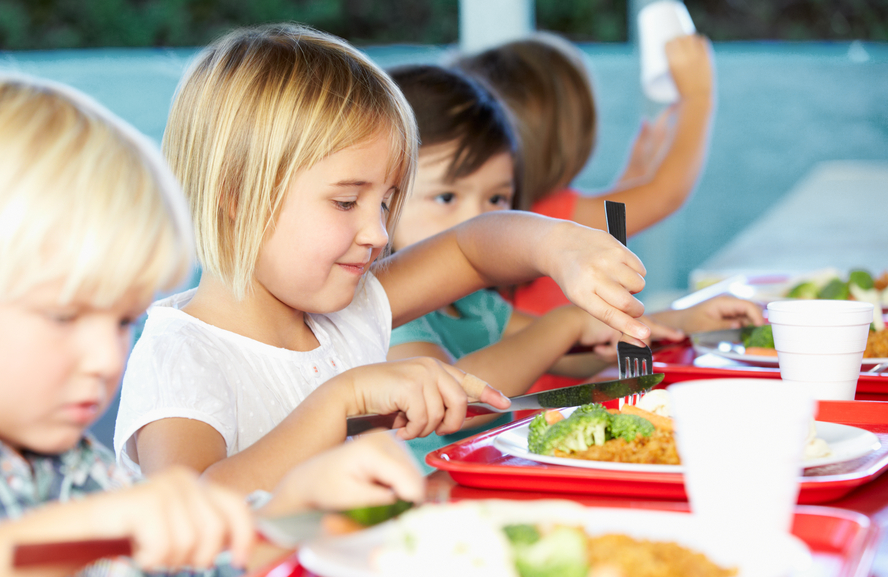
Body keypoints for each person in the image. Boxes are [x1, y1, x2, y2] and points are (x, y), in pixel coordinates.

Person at [0, 66, 425, 577]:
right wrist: (76, 533)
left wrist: (294, 513)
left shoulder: (72, 469)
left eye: (120, 322)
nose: (105, 359)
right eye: (64, 317)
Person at [115, 23, 653, 493]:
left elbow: (471, 249)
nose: (376, 232)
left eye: (388, 202)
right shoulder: (181, 355)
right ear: (235, 197)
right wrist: (340, 400)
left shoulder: (346, 313)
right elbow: (190, 509)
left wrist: (557, 245)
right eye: (346, 202)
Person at [386, 65, 762, 466]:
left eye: (496, 199)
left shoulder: (474, 304)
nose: (478, 219)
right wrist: (565, 323)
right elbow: (457, 404)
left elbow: (567, 353)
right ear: (383, 197)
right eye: (446, 198)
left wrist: (682, 322)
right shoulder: (388, 314)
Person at [457, 31, 715, 314]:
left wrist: (634, 176)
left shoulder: (507, 215)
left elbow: (608, 223)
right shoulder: (546, 217)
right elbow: (666, 195)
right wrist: (698, 97)